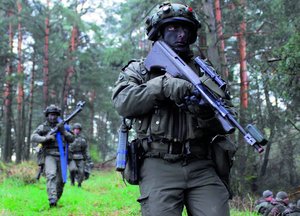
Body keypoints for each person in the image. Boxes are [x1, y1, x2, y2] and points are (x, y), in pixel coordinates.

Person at [112, 2, 237, 216]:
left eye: (185, 29)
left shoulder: (204, 72)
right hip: (158, 163)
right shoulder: (140, 69)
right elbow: (123, 102)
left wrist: (205, 113)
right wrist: (161, 86)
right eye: (173, 28)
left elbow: (229, 119)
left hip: (202, 164)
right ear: (157, 32)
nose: (181, 34)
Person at [31, 104, 74, 207]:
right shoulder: (43, 127)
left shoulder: (64, 126)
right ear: (47, 115)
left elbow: (72, 139)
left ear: (57, 115)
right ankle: (52, 200)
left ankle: (56, 198)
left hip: (62, 156)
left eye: (54, 115)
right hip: (49, 155)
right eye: (50, 114)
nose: (52, 117)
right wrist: (46, 138)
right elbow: (33, 136)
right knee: (51, 175)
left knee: (61, 181)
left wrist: (63, 131)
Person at [68, 123, 92, 187]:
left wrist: (89, 160)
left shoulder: (82, 139)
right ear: (73, 130)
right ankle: (72, 181)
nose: (76, 131)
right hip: (71, 157)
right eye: (75, 129)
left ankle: (79, 183)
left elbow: (86, 150)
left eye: (78, 129)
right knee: (73, 169)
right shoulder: (69, 138)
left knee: (81, 172)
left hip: (80, 157)